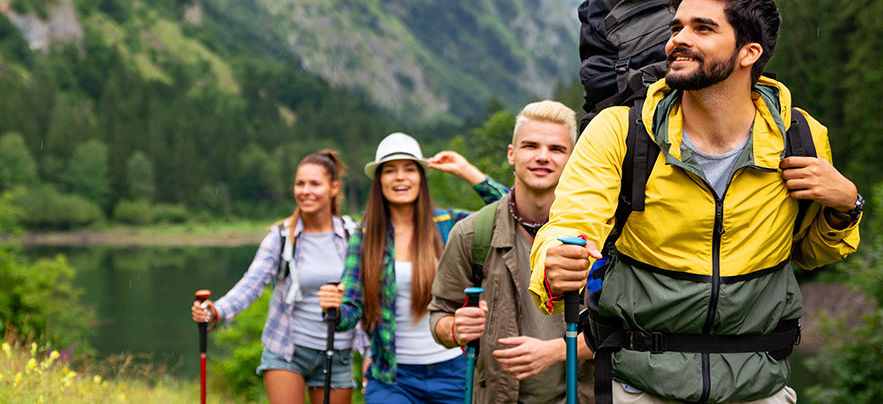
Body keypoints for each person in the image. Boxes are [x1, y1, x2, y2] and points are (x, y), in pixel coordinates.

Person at [528, 0, 864, 402]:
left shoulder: (801, 136)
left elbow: (810, 253)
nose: (678, 41)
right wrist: (555, 256)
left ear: (749, 52)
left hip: (757, 387)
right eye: (676, 28)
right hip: (641, 385)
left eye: (702, 29)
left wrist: (847, 206)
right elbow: (571, 222)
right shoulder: (620, 131)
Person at [318, 132, 507, 403]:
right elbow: (348, 313)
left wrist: (466, 171)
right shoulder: (366, 235)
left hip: (454, 370)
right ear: (379, 181)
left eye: (409, 169)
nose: (400, 177)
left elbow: (513, 213)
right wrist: (333, 307)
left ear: (421, 177)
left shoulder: (451, 224)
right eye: (390, 170)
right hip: (392, 378)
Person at [429, 101, 595, 403]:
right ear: (511, 154)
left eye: (556, 149)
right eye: (530, 146)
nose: (542, 157)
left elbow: (625, 329)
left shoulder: (597, 237)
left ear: (573, 159)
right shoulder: (472, 234)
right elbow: (438, 317)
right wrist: (455, 328)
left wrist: (556, 351)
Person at [191, 150, 366, 404]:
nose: (305, 190)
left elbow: (368, 297)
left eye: (315, 184)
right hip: (287, 350)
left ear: (333, 188)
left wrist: (371, 351)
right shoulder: (282, 236)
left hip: (337, 353)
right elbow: (251, 284)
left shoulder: (354, 236)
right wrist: (216, 312)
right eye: (300, 183)